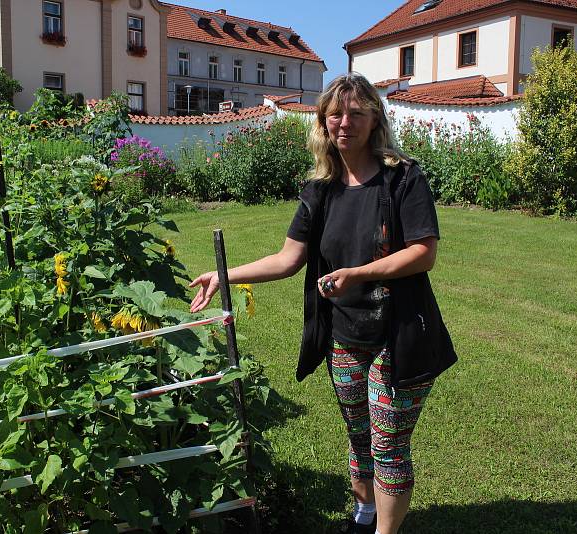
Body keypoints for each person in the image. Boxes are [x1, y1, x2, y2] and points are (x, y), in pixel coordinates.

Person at [189, 73, 456, 534]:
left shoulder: (402, 178)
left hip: (401, 334)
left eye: (356, 113)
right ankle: (365, 514)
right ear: (323, 122)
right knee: (359, 436)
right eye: (335, 114)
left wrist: (359, 273)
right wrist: (223, 275)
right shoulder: (320, 189)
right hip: (345, 336)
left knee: (388, 442)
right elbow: (288, 258)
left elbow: (423, 253)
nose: (345, 122)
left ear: (375, 119)